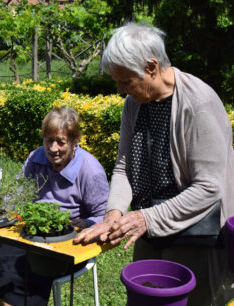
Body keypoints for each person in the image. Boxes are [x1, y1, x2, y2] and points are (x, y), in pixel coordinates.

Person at [73, 22, 234, 305]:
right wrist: (113, 213)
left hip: (194, 233)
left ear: (151, 66)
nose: (121, 89)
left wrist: (145, 218)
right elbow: (124, 166)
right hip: (149, 228)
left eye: (126, 80)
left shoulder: (200, 105)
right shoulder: (134, 103)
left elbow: (209, 187)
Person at [0, 107, 109, 306]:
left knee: (15, 288)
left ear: (75, 141)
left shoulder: (90, 170)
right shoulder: (36, 158)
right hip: (29, 235)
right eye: (49, 140)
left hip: (66, 246)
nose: (53, 148)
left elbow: (104, 215)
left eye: (61, 141)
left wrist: (83, 224)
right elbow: (15, 195)